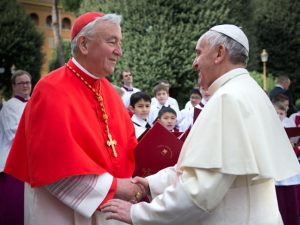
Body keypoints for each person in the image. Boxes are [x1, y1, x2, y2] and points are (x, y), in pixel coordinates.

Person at [101, 24, 300, 225]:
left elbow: (199, 192)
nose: (195, 63)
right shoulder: (249, 90)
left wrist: (138, 213)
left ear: (219, 53)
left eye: (198, 53)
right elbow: (200, 169)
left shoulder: (227, 99)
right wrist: (151, 183)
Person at [4, 12, 144, 225]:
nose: (119, 51)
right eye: (112, 41)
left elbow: (127, 145)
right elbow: (53, 165)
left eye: (119, 42)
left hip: (111, 208)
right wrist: (115, 187)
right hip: (61, 211)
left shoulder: (109, 92)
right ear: (84, 44)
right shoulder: (50, 89)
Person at [0, 69, 32, 225]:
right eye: (21, 83)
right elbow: (14, 134)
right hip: (13, 163)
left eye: (28, 82)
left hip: (30, 162)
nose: (25, 86)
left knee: (29, 206)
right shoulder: (9, 106)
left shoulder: (33, 102)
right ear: (13, 86)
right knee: (15, 207)